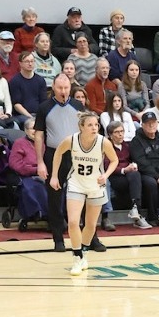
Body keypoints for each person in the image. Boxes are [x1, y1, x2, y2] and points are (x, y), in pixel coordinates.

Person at [50, 111, 118, 274]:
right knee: (73, 222)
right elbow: (58, 153)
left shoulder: (103, 142)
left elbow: (114, 160)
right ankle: (77, 257)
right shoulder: (71, 140)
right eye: (90, 125)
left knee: (91, 225)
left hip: (95, 185)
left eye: (96, 125)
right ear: (81, 127)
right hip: (76, 183)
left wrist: (106, 175)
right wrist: (54, 176)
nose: (94, 128)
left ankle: (84, 253)